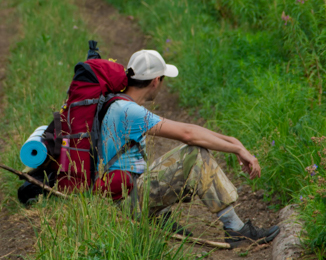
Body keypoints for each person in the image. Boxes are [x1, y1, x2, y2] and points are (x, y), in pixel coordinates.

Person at [96, 49, 280, 248]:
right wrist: (237, 150)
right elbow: (188, 134)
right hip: (127, 199)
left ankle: (158, 217)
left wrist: (233, 141)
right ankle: (236, 229)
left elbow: (190, 130)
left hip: (122, 192)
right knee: (193, 153)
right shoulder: (129, 111)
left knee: (172, 159)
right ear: (156, 81)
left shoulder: (118, 103)